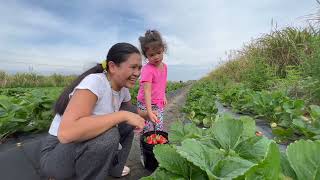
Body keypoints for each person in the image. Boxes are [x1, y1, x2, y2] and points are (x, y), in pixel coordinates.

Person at [40, 43, 147, 180]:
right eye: (133, 67)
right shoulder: (95, 83)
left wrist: (145, 115)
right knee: (109, 135)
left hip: (74, 146)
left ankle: (115, 168)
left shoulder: (123, 89)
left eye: (139, 68)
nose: (137, 73)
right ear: (113, 66)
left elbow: (129, 110)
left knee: (127, 124)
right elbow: (66, 134)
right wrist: (121, 115)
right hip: (55, 154)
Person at [137, 30, 168, 134]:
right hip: (145, 104)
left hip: (158, 103)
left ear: (163, 49)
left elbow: (162, 83)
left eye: (159, 53)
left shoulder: (165, 67)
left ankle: (157, 149)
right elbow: (147, 91)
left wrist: (163, 95)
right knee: (148, 131)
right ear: (146, 56)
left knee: (158, 128)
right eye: (151, 55)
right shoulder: (148, 70)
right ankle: (146, 150)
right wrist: (149, 112)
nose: (156, 57)